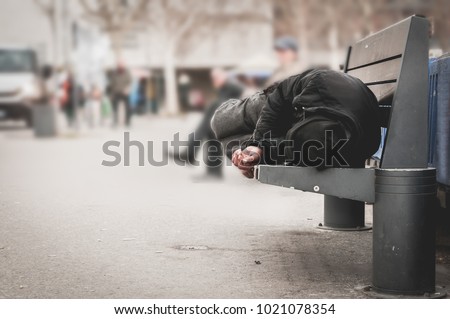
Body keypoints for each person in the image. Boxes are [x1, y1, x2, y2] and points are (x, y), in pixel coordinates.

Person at [211, 69, 381, 178]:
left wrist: (257, 155)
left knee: (231, 142)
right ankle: (247, 151)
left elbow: (295, 147)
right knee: (220, 121)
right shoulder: (320, 83)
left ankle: (244, 157)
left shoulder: (356, 146)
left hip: (315, 132)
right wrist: (257, 144)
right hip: (285, 103)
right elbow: (281, 92)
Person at [174, 68, 243, 178]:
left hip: (239, 121)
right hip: (228, 120)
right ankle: (212, 172)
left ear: (224, 76)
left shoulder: (233, 87)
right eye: (213, 78)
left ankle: (190, 152)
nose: (214, 80)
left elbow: (236, 100)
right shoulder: (224, 89)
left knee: (212, 115)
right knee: (211, 129)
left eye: (216, 77)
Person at [108, 62, 132, 126]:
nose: (120, 67)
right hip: (116, 92)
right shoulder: (114, 73)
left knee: (128, 107)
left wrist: (127, 89)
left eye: (121, 65)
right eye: (119, 66)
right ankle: (115, 121)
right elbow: (112, 84)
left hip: (125, 92)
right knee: (115, 108)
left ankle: (127, 122)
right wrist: (111, 94)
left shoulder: (127, 72)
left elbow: (129, 81)